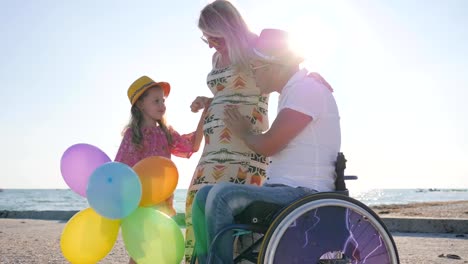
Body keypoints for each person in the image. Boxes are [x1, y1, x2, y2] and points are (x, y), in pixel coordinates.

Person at [192, 28, 341, 264]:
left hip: (305, 193)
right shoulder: (294, 89)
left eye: (255, 67)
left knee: (222, 194)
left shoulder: (306, 89)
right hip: (283, 189)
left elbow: (269, 145)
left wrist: (243, 132)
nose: (252, 73)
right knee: (203, 197)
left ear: (275, 66)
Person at [185, 1, 270, 261]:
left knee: (232, 213)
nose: (210, 44)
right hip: (213, 149)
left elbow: (288, 69)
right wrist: (208, 101)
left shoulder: (257, 47)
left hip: (245, 146)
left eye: (214, 37)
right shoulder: (215, 56)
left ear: (229, 28)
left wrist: (311, 79)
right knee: (197, 204)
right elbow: (229, 93)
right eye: (206, 38)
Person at [114, 75, 206, 264]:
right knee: (140, 251)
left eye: (163, 100)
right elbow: (120, 169)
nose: (162, 105)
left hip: (163, 201)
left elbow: (193, 146)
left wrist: (206, 113)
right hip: (139, 203)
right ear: (140, 104)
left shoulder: (166, 133)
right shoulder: (133, 135)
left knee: (160, 251)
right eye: (156, 100)